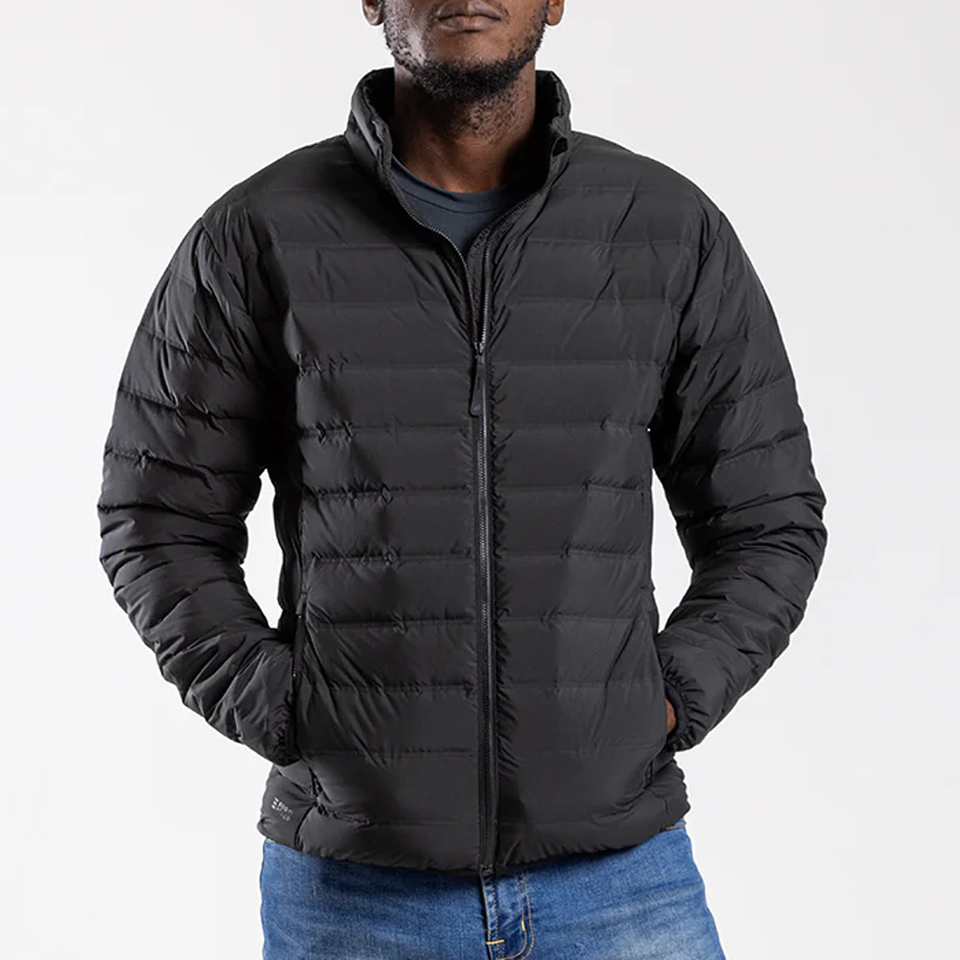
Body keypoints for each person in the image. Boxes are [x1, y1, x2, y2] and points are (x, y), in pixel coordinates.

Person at [96, 1, 828, 957]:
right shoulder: (259, 235)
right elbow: (157, 520)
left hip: (620, 884)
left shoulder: (664, 230)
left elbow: (768, 521)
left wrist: (664, 700)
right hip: (355, 892)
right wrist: (287, 711)